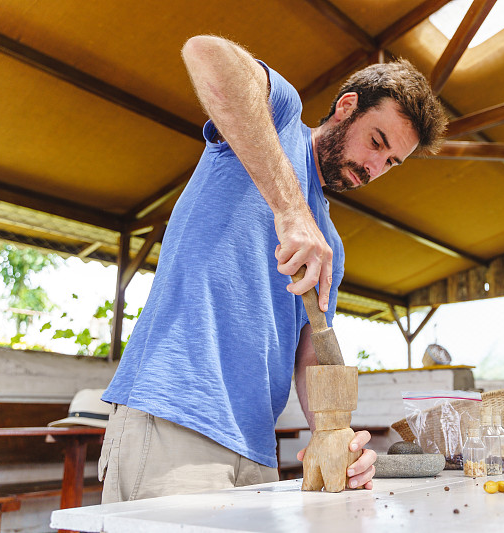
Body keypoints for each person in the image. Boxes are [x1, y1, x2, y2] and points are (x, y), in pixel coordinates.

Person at [98, 35, 447, 503]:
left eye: (390, 162)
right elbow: (205, 53)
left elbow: (308, 355)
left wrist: (335, 433)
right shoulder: (279, 118)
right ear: (346, 107)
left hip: (258, 450)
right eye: (376, 142)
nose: (374, 167)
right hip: (175, 418)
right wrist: (290, 207)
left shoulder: (330, 248)